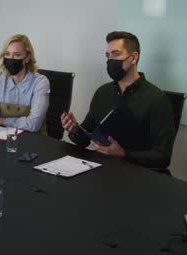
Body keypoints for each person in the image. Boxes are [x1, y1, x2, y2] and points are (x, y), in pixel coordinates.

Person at [61, 31, 176, 169]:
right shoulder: (102, 92)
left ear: (133, 57)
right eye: (108, 55)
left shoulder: (157, 99)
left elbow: (163, 157)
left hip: (138, 176)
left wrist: (123, 154)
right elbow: (86, 139)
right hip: (102, 170)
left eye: (116, 54)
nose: (110, 60)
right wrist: (74, 130)